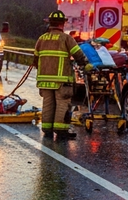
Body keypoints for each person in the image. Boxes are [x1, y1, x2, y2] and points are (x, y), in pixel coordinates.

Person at [35, 10, 92, 140]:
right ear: (62, 24)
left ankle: (47, 129)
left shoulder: (41, 39)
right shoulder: (66, 39)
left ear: (50, 23)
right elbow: (78, 55)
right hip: (62, 80)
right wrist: (86, 65)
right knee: (62, 104)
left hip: (44, 80)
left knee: (48, 104)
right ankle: (61, 131)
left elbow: (35, 59)